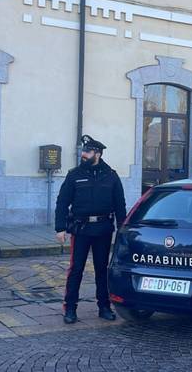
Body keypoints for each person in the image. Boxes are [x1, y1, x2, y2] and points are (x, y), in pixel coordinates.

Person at [55, 135, 126, 324]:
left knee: (102, 270)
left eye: (87, 152)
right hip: (81, 229)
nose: (83, 155)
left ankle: (104, 306)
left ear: (98, 154)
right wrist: (60, 228)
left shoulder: (111, 175)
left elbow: (120, 204)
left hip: (103, 229)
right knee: (76, 269)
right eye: (83, 151)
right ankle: (70, 308)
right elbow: (62, 202)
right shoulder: (74, 174)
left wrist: (122, 229)